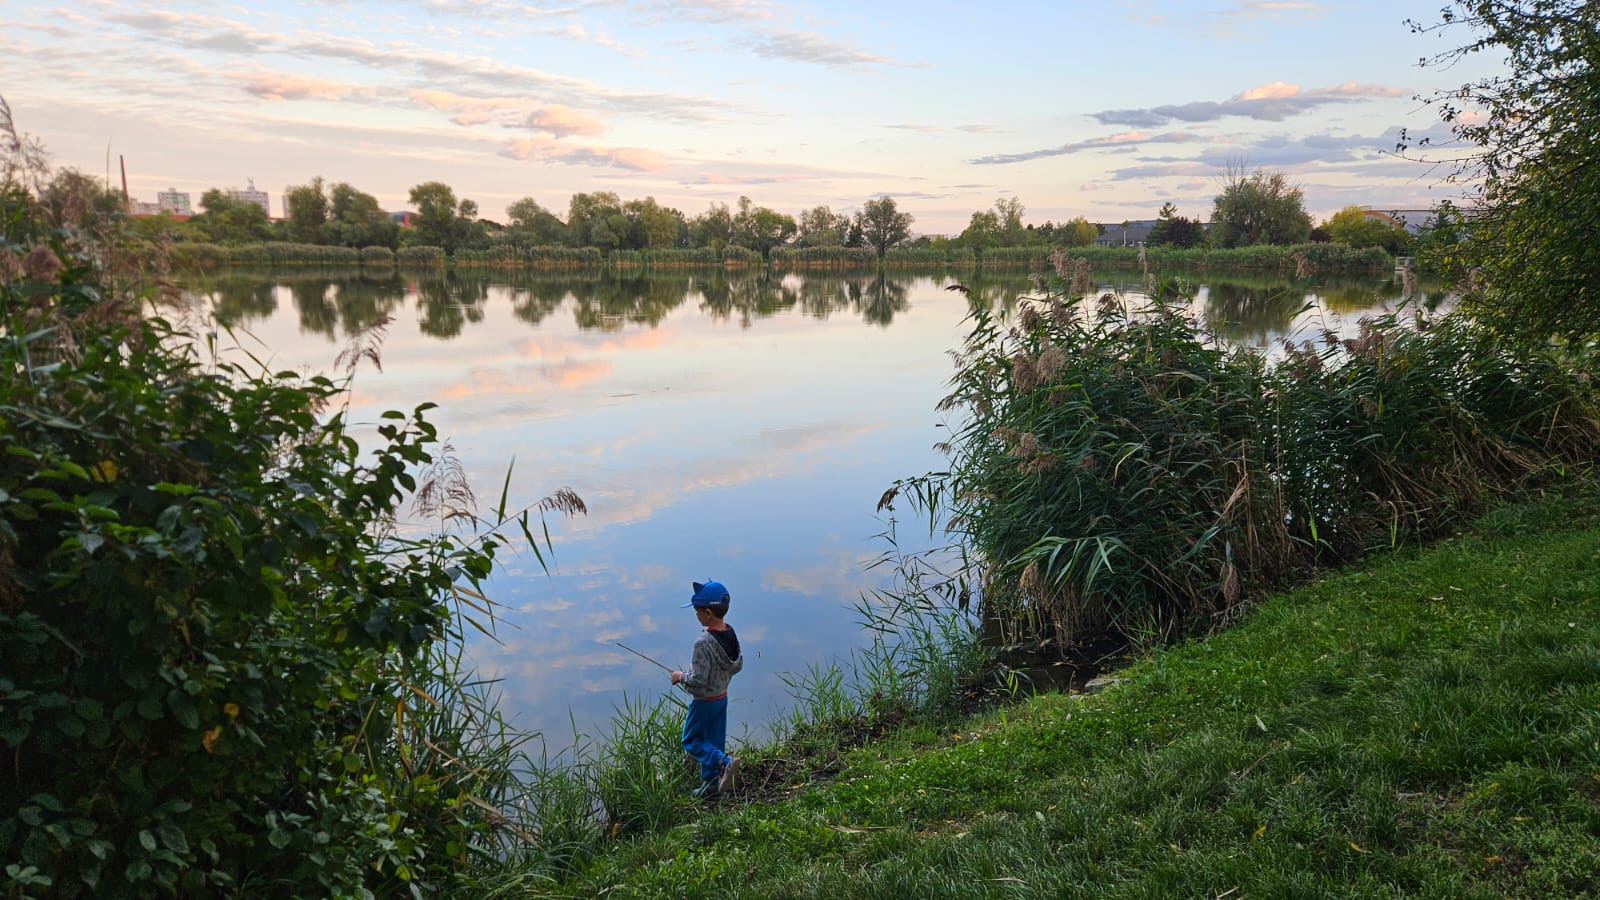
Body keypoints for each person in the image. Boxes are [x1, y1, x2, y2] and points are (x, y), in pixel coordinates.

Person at [670, 579, 744, 799]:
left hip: (704, 702)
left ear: (708, 613)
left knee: (691, 740)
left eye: (697, 610)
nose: (696, 614)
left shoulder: (702, 643)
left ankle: (724, 762)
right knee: (713, 742)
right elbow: (737, 665)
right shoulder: (730, 633)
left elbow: (699, 680)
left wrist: (680, 677)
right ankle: (712, 787)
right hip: (721, 697)